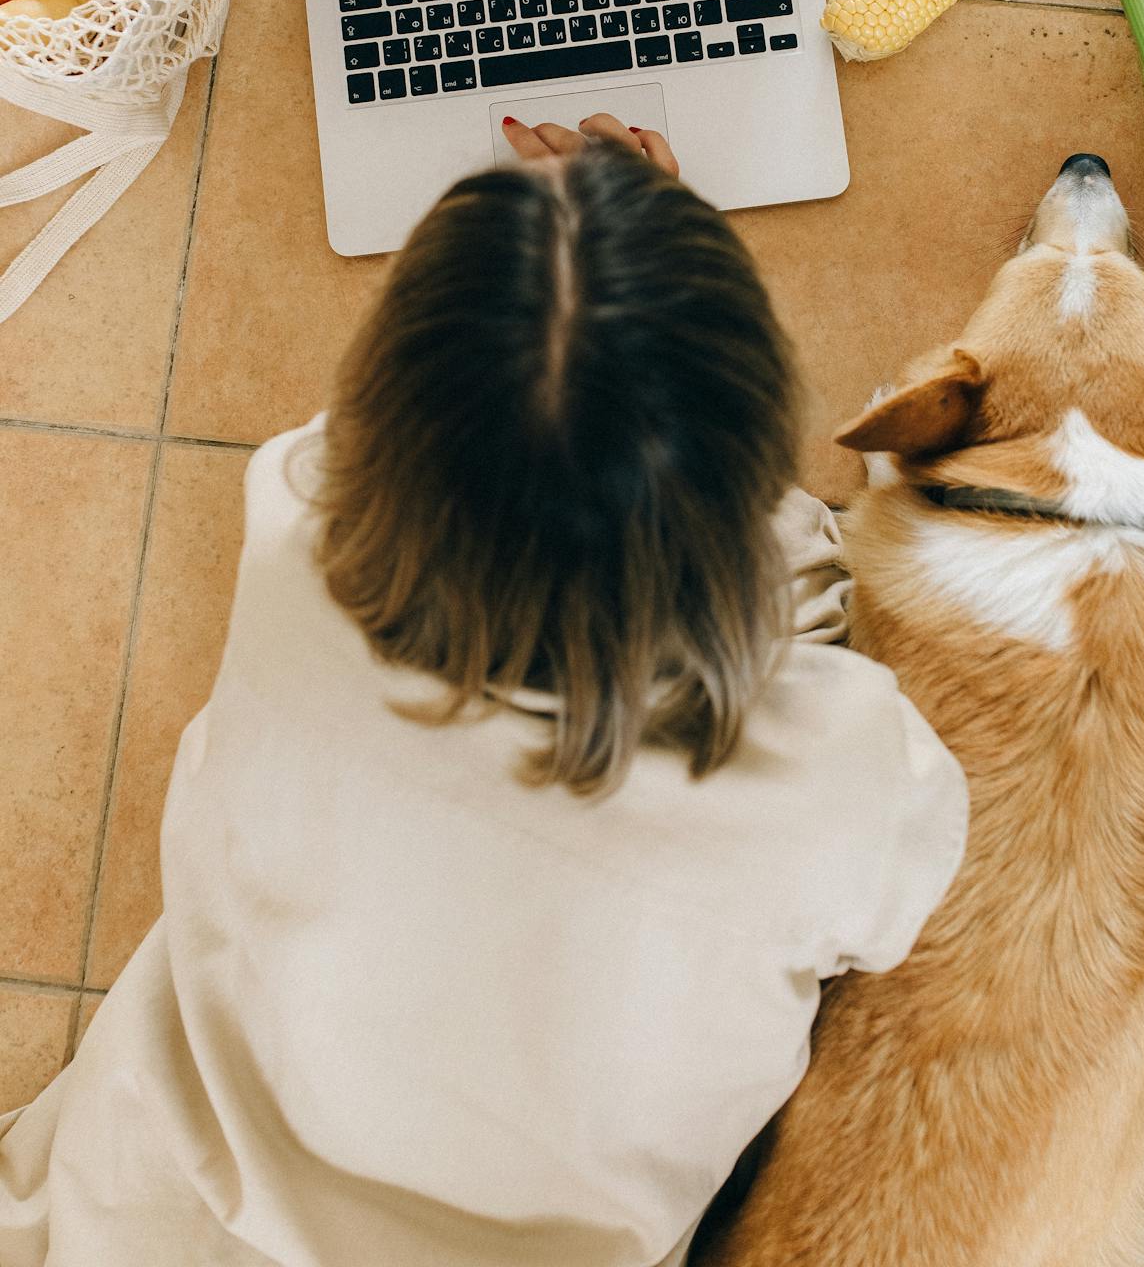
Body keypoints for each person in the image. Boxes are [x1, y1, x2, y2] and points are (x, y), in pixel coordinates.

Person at [0, 114, 967, 1267]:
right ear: (747, 463)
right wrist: (636, 293)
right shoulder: (841, 772)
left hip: (149, 1221)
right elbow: (897, 905)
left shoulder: (293, 534)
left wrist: (565, 290)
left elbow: (397, 448)